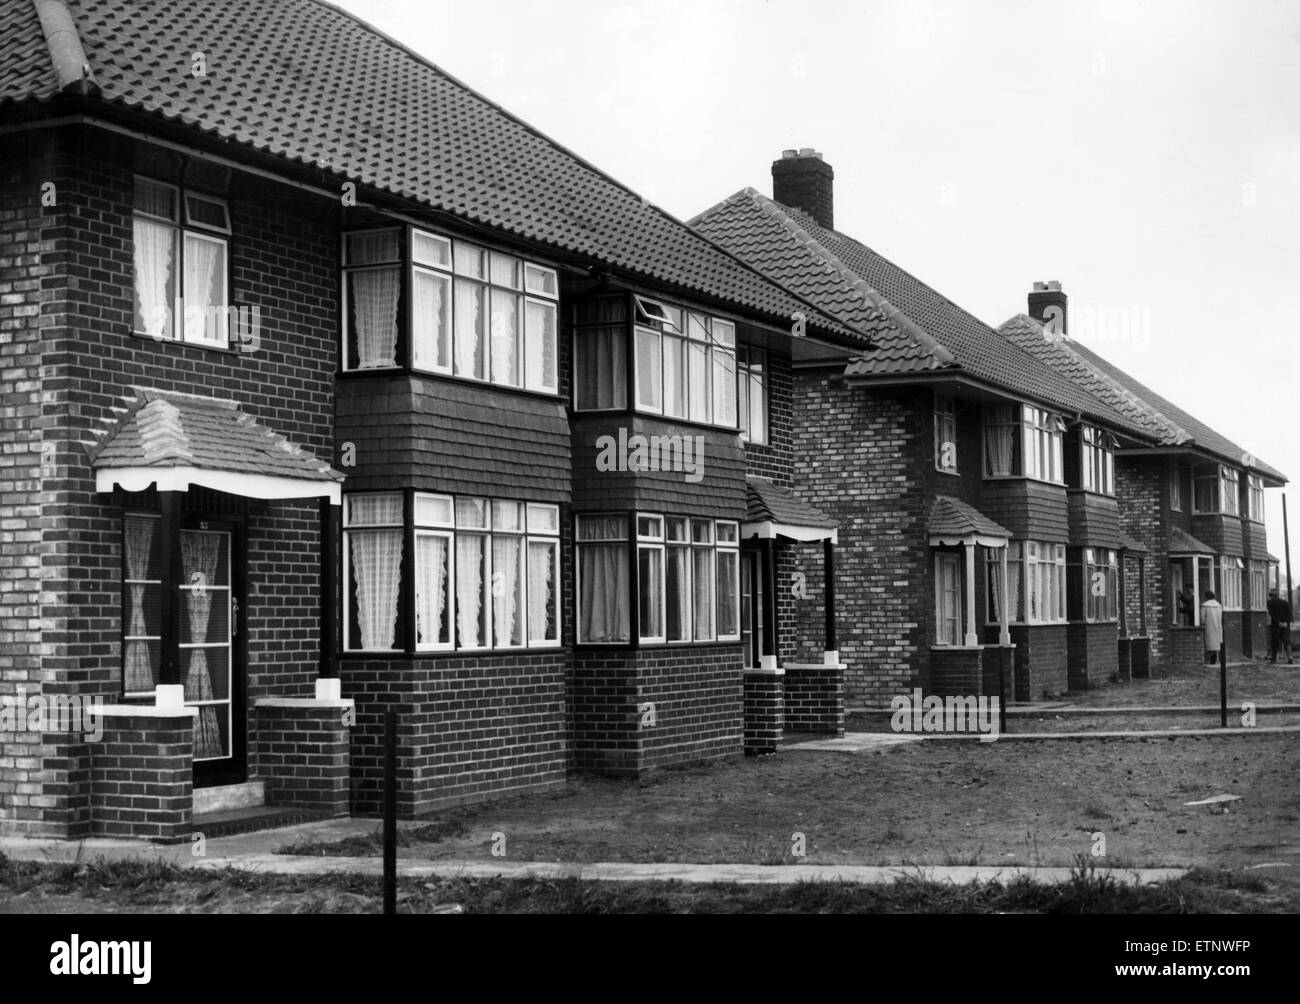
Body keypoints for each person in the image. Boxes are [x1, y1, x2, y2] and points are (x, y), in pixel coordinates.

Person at [1267, 588, 1294, 664]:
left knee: (1274, 643)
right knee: (1287, 642)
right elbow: (1289, 613)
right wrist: (1285, 622)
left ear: (1271, 595)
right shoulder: (1285, 602)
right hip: (1285, 626)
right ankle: (1290, 656)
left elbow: (1272, 614)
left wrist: (1278, 622)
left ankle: (1274, 660)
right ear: (1277, 595)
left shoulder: (1269, 603)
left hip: (1276, 626)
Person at [1201, 590, 1223, 665]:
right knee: (1216, 642)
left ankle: (1209, 658)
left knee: (1209, 642)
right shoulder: (1218, 605)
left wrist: (1203, 623)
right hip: (1217, 625)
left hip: (1209, 626)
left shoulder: (1205, 606)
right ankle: (1215, 657)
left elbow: (1202, 618)